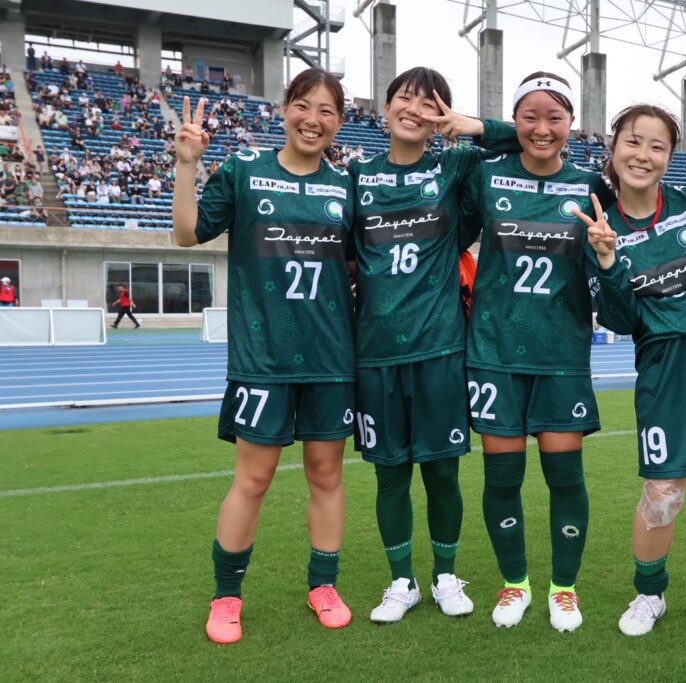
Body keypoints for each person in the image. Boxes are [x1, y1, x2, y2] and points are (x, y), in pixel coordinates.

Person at [172, 68, 357, 644]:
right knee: (253, 479)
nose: (313, 120)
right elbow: (187, 234)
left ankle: (323, 586)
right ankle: (226, 597)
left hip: (331, 358)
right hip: (264, 358)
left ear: (340, 122)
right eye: (303, 105)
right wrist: (186, 165)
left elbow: (360, 266)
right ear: (284, 109)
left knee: (326, 475)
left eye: (326, 111)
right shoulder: (245, 171)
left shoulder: (346, 186)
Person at [575, 104, 686, 638]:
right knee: (663, 491)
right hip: (664, 362)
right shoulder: (597, 226)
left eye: (657, 146)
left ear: (670, 157)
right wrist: (607, 261)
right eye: (633, 142)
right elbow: (620, 319)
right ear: (613, 148)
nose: (644, 155)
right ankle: (648, 593)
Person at [346, 67, 519, 625]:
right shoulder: (356, 176)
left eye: (429, 103)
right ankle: (402, 581)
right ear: (385, 108)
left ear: (442, 114)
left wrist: (472, 126)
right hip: (376, 353)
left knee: (442, 473)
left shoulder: (454, 165)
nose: (414, 110)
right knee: (390, 474)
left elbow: (528, 138)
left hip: (441, 349)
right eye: (404, 98)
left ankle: (446, 575)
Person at [459, 71, 613, 633]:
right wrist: (486, 129)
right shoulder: (486, 175)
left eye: (555, 117)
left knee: (564, 478)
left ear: (573, 123)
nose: (542, 128)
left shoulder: (592, 183)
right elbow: (449, 238)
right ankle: (515, 583)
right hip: (495, 352)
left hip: (561, 355)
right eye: (529, 116)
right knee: (502, 480)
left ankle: (563, 589)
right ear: (513, 120)